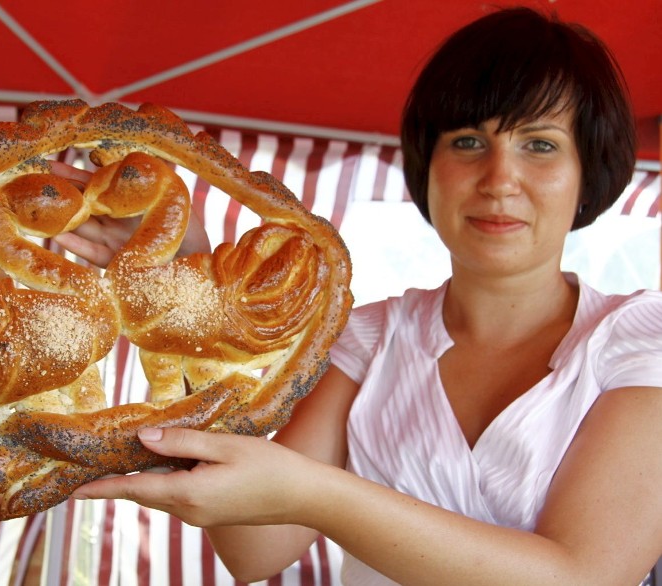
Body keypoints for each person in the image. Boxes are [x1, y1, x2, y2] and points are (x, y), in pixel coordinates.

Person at [58, 7, 662, 585]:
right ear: (429, 167)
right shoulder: (369, 338)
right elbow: (253, 550)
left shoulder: (639, 339)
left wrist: (316, 493)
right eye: (468, 142)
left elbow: (585, 574)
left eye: (540, 144)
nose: (500, 179)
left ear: (589, 175)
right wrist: (192, 289)